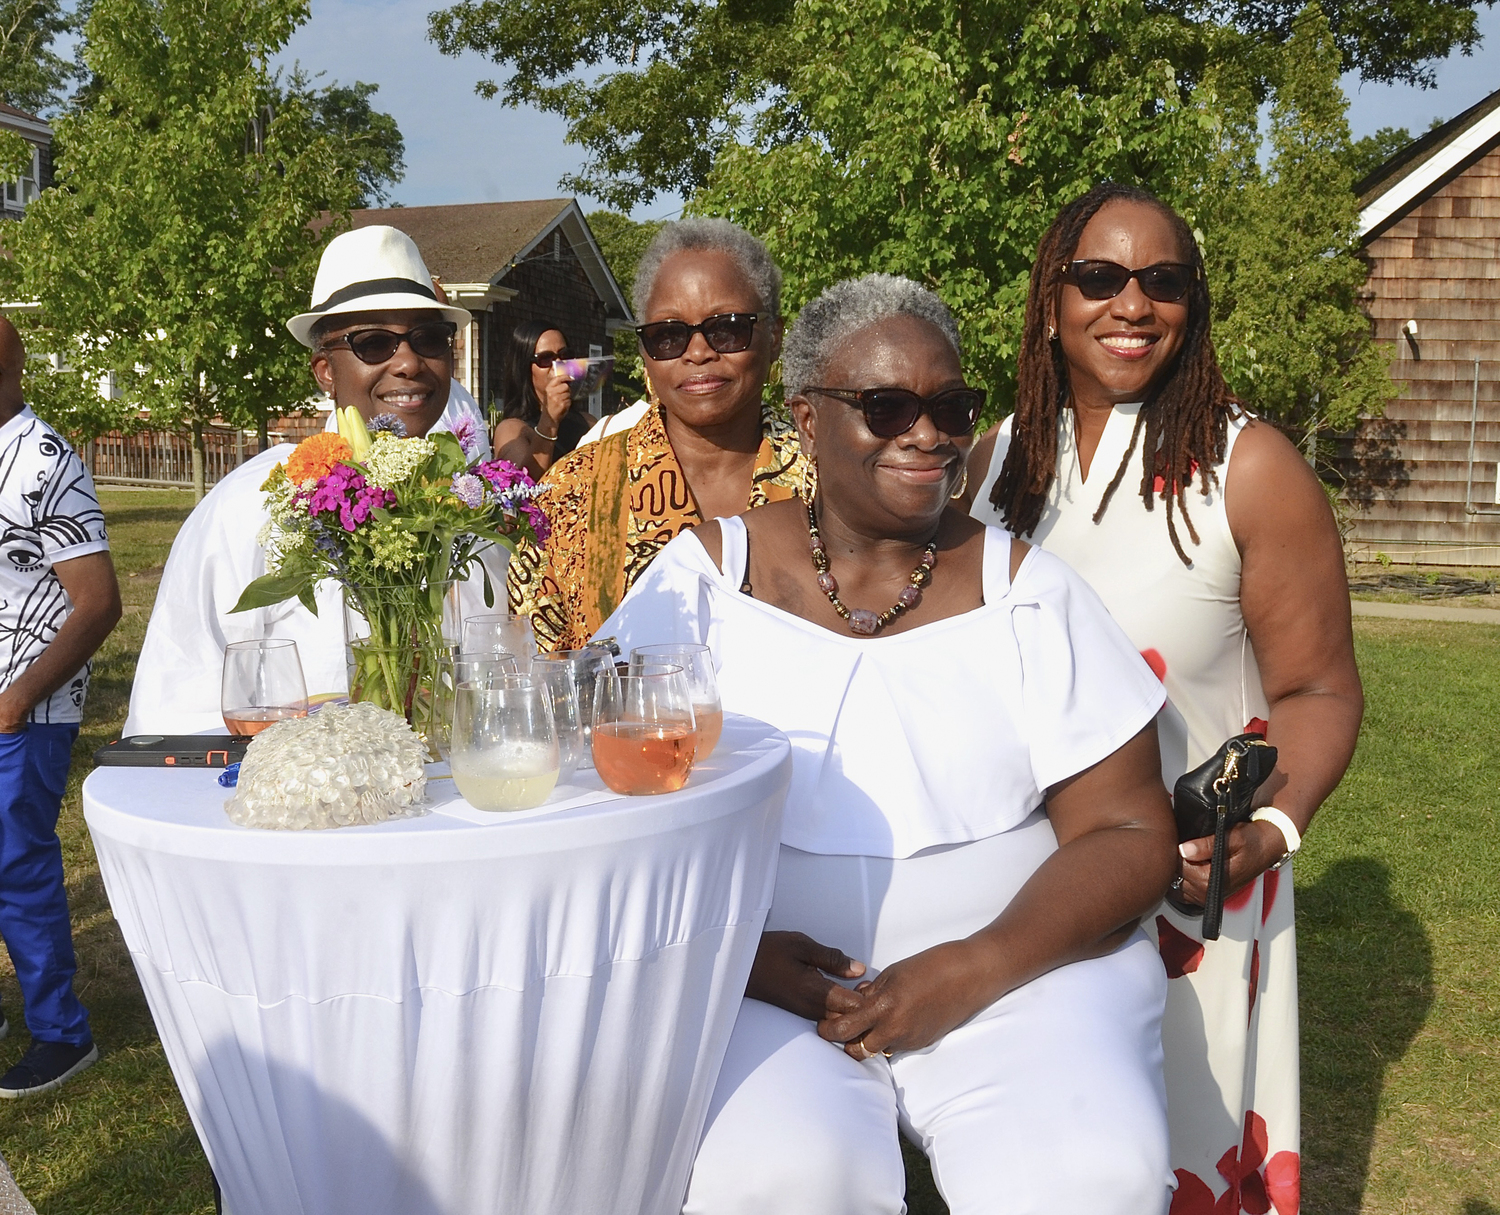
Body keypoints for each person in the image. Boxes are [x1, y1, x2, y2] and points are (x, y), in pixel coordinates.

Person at [599, 275, 1179, 1214]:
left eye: (951, 406)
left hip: (1018, 978)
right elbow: (606, 797)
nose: (927, 433)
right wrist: (734, 953)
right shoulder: (702, 583)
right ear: (805, 418)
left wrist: (973, 966)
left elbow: (1126, 831)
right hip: (762, 984)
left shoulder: (1029, 593)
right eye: (886, 406)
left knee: (1087, 1174)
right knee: (777, 1180)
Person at [968, 182, 1364, 1209]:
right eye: (1099, 277)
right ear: (1050, 300)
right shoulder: (992, 466)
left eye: (1164, 281)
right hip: (1034, 895)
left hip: (1201, 892)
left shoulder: (1250, 467)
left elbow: (1318, 687)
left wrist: (1274, 827)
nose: (1131, 304)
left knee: (1184, 1165)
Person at [126, 226, 504, 735]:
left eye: (429, 339)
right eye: (373, 344)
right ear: (325, 371)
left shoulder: (471, 503)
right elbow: (173, 709)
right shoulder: (251, 506)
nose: (410, 362)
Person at [507, 218, 807, 651]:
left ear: (775, 336)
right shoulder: (570, 494)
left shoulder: (834, 482)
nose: (699, 352)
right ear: (645, 353)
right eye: (669, 336)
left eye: (727, 328)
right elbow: (537, 676)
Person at [0, 317, 121, 1098]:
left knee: (17, 866)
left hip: (23, 708)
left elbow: (99, 601)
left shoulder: (43, 462)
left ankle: (60, 1032)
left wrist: (15, 701)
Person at [491, 321, 598, 478]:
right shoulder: (512, 429)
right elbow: (525, 484)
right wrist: (549, 420)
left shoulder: (588, 422)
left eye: (564, 355)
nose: (557, 365)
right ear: (525, 368)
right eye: (545, 359)